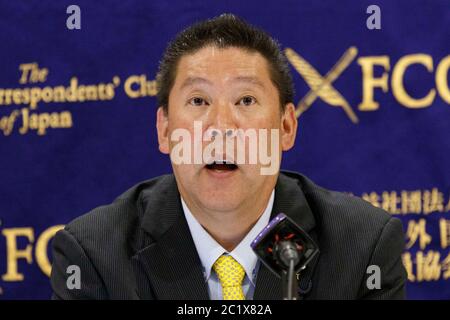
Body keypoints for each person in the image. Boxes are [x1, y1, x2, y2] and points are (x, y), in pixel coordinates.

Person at [50, 14, 407, 300]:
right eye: (199, 101)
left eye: (245, 101)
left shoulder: (361, 248)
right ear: (164, 130)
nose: (221, 127)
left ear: (286, 126)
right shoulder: (95, 256)